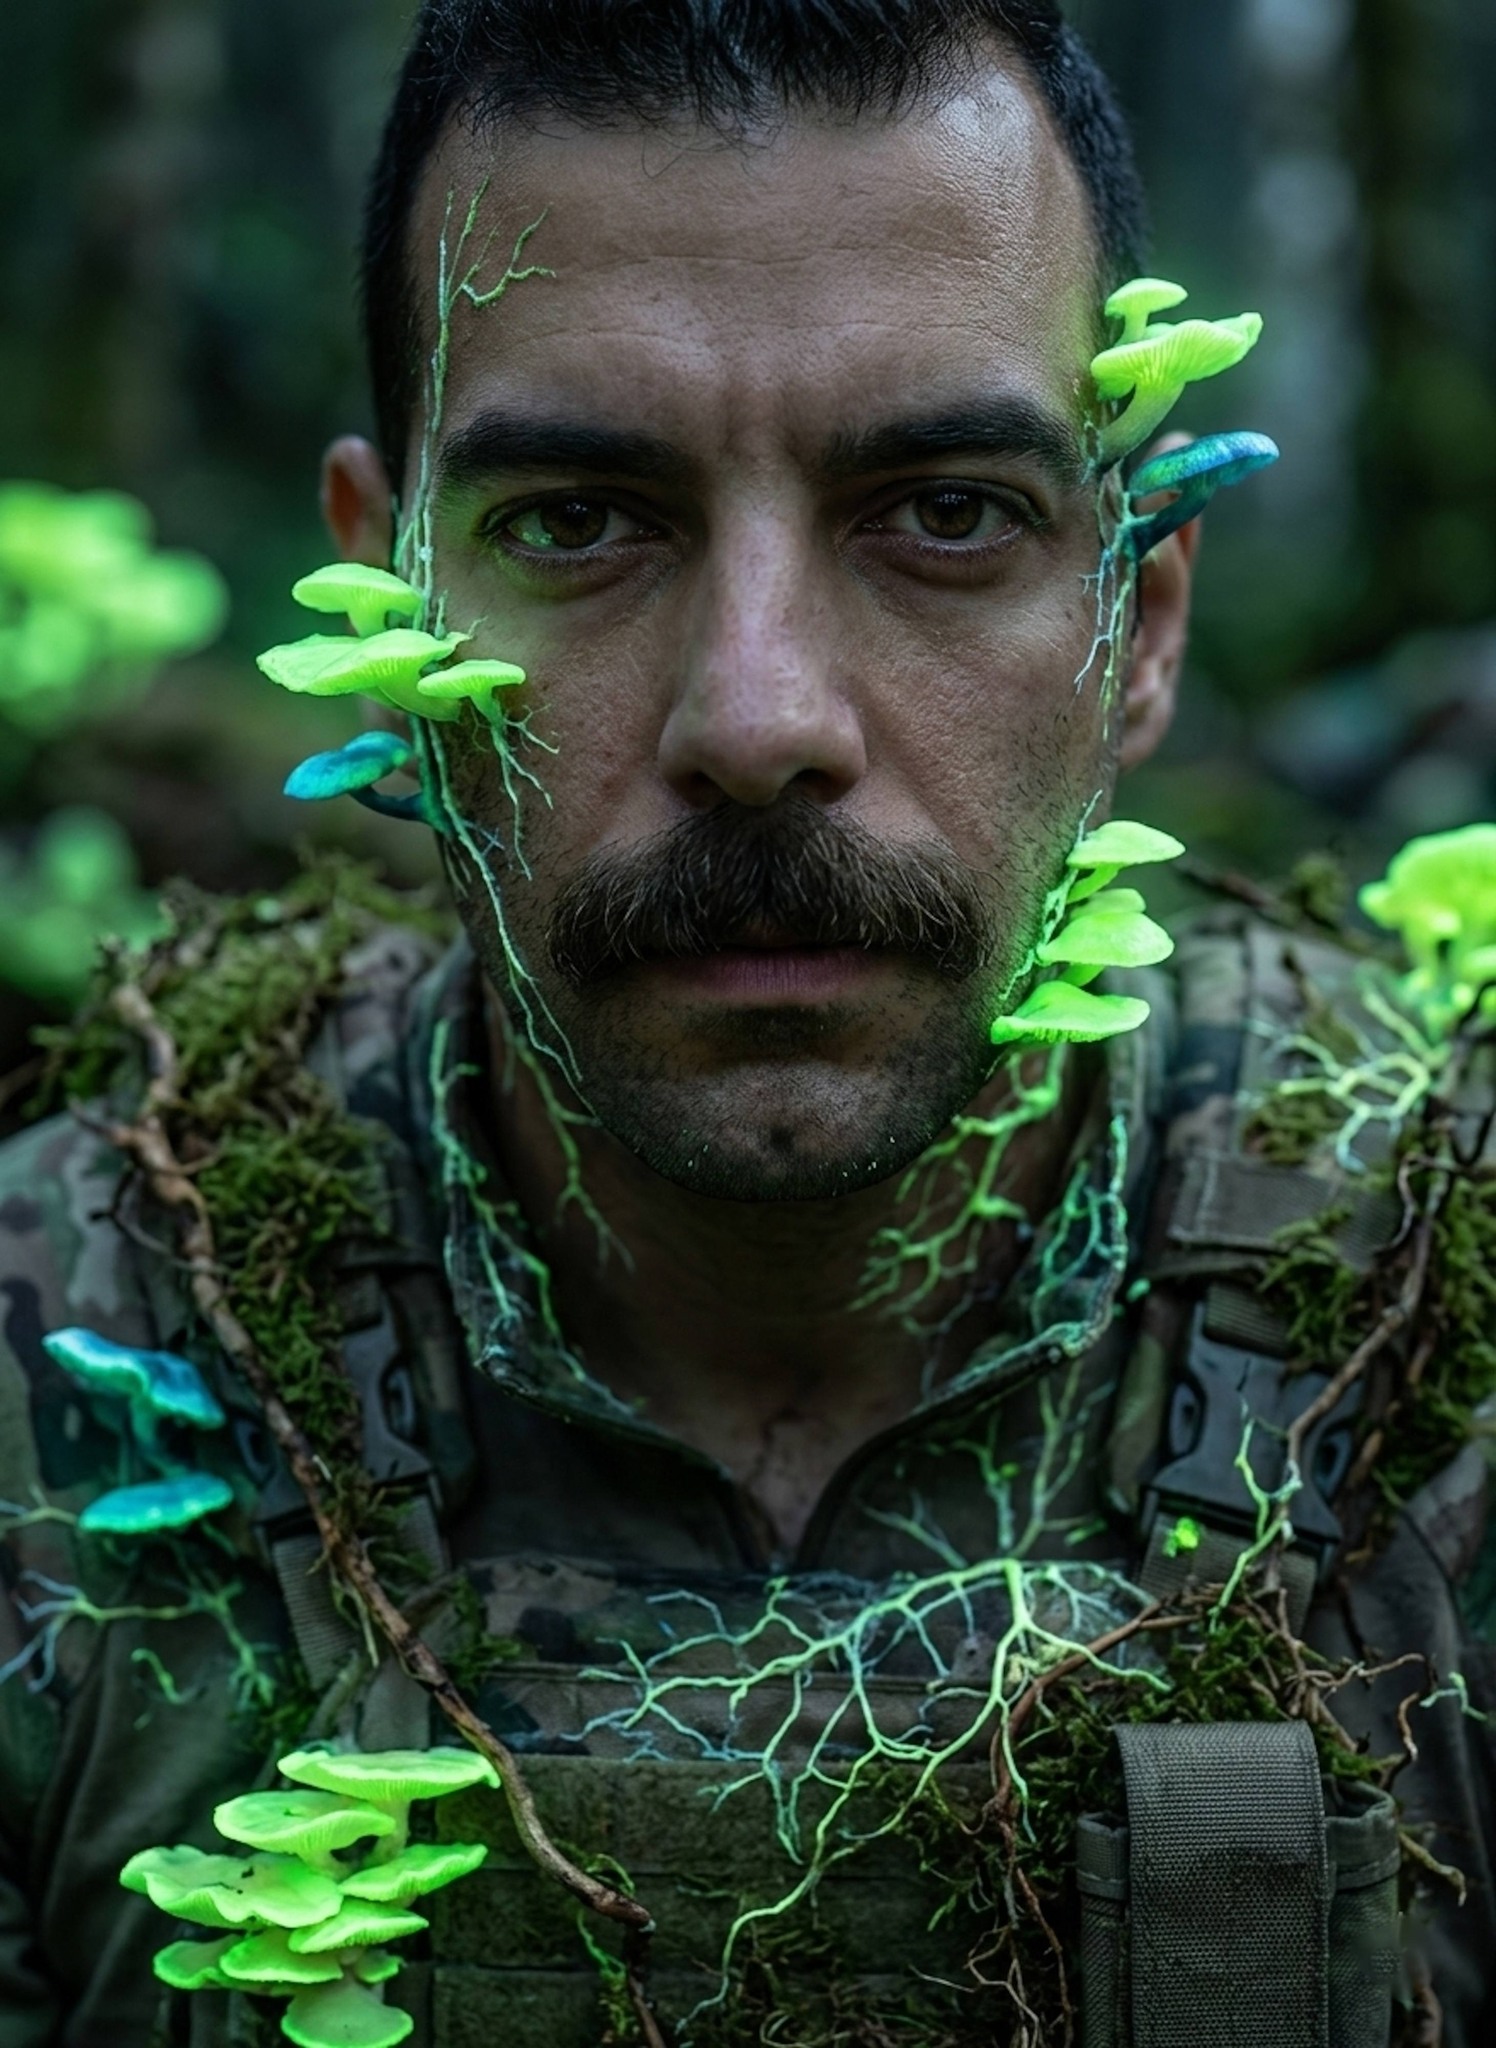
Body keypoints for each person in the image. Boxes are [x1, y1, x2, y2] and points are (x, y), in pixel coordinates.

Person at [1, 4, 1491, 2045]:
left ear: (1139, 621)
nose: (761, 719)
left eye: (947, 511)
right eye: (576, 520)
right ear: (389, 599)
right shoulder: (53, 1382)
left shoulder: (1444, 1312)